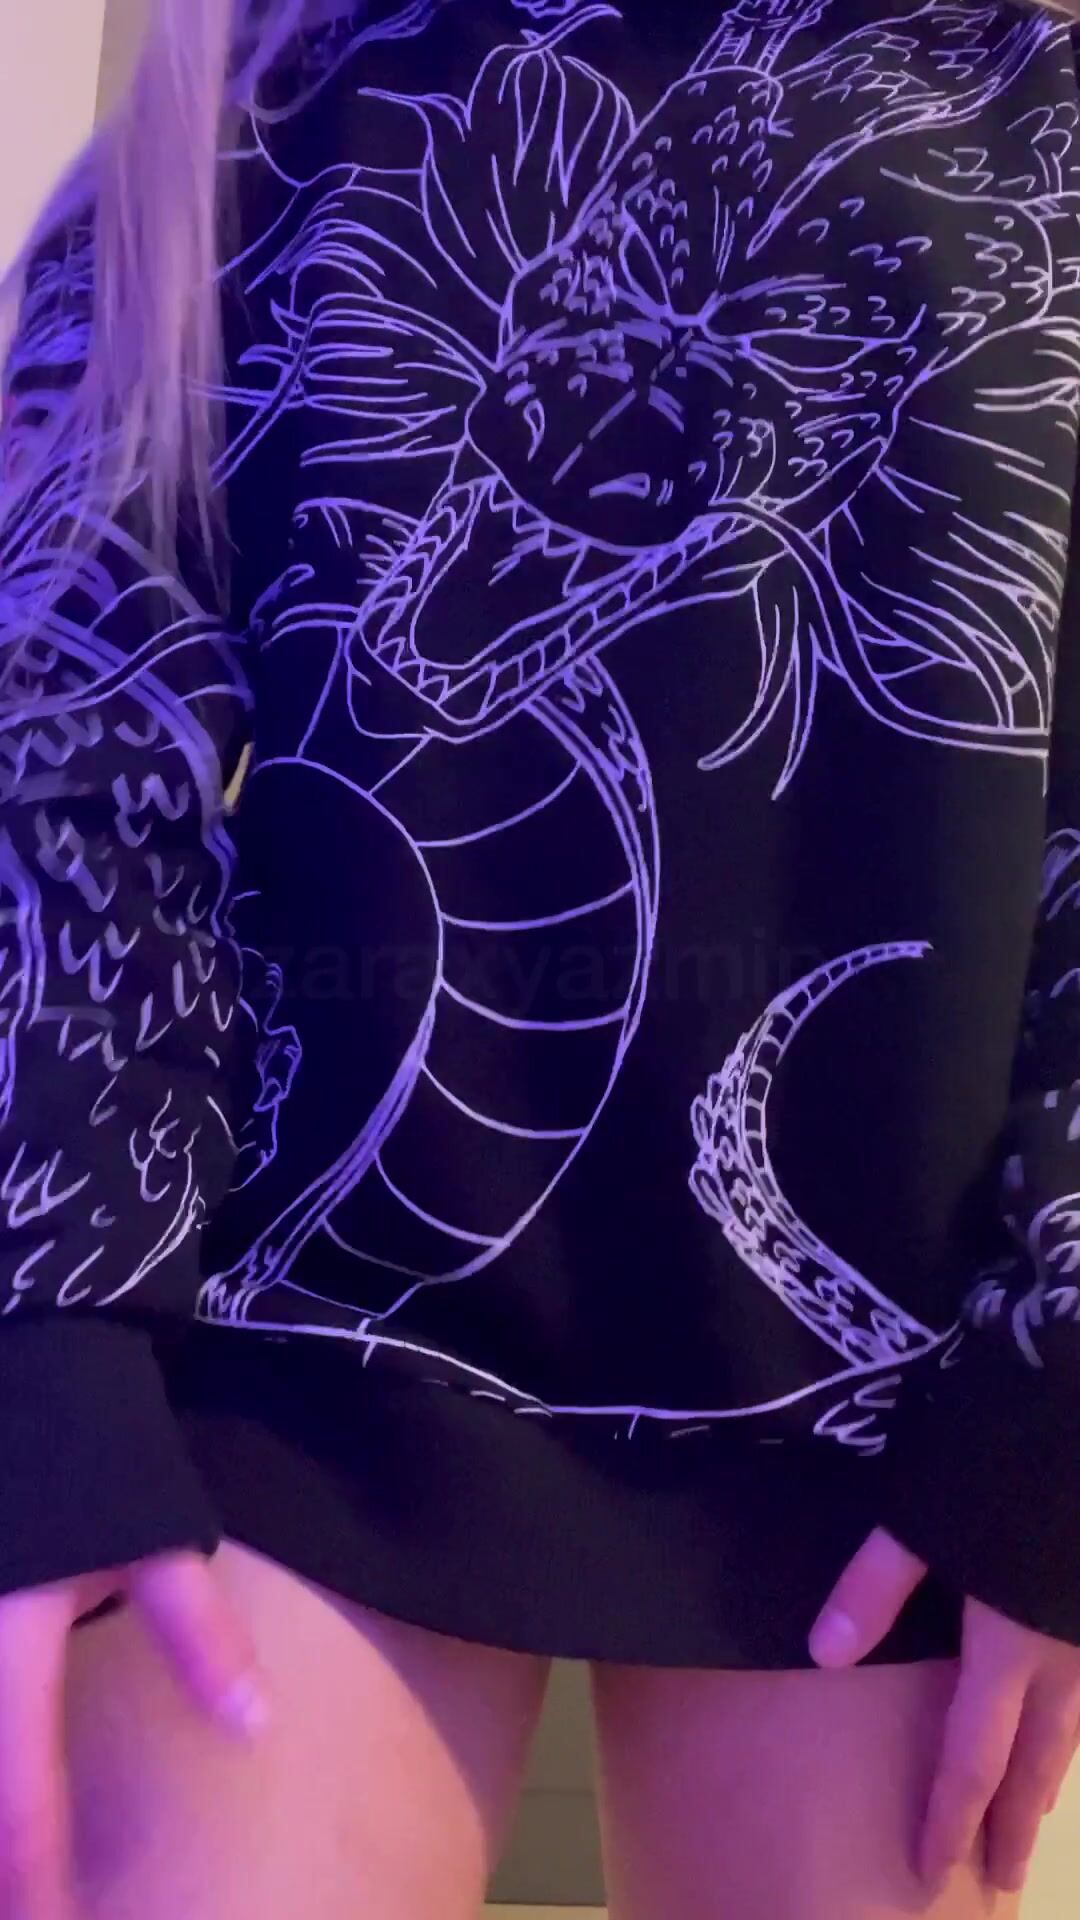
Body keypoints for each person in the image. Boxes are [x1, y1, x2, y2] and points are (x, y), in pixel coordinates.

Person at [2, 0, 1080, 1913]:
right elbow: (60, 725)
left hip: (883, 1405)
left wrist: (1057, 1392)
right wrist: (44, 1336)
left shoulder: (1041, 130)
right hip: (296, 1357)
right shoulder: (256, 108)